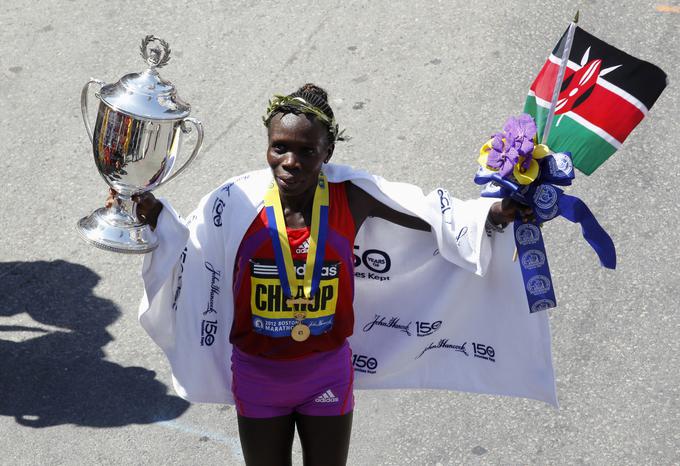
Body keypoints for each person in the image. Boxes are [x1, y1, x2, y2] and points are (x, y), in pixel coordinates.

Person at [123, 84, 535, 466]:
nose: (290, 162)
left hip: (325, 373)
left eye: (306, 151)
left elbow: (428, 216)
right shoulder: (235, 203)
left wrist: (492, 215)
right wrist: (154, 214)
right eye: (279, 147)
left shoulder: (351, 197)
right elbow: (193, 253)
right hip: (257, 375)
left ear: (327, 151)